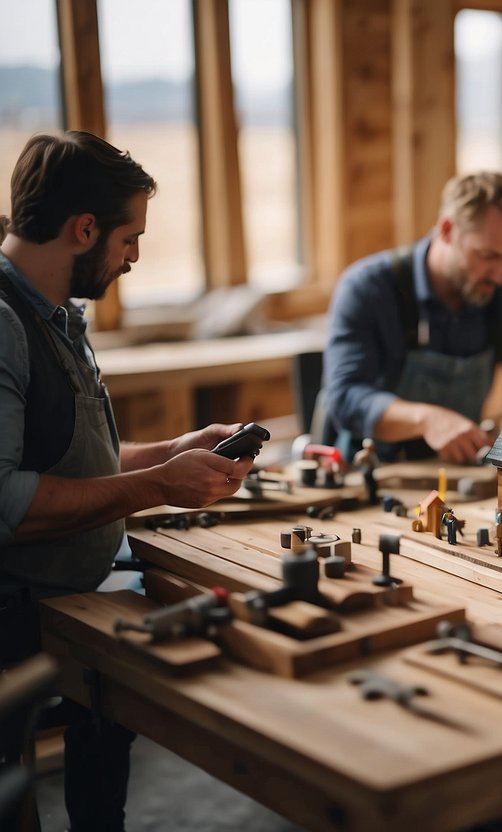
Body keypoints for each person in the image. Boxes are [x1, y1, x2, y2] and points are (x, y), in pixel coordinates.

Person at [0, 131, 254, 830]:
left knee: (111, 714)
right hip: (18, 611)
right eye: (129, 239)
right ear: (84, 229)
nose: (134, 259)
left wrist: (168, 453)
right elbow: (8, 505)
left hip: (69, 589)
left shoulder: (56, 316)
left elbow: (70, 461)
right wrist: (158, 488)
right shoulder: (4, 326)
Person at [324, 171, 502, 465]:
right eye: (488, 255)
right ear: (448, 230)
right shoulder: (367, 289)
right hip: (370, 475)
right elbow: (346, 398)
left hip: (459, 475)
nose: (500, 274)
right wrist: (426, 420)